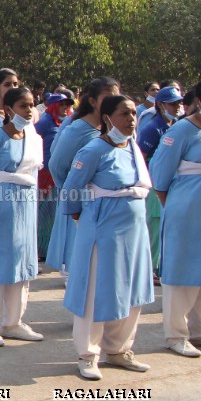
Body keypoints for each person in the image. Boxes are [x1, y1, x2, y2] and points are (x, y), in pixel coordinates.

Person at [60, 95, 154, 380]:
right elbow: (72, 190)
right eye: (124, 114)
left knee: (131, 289)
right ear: (107, 118)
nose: (131, 120)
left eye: (133, 114)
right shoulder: (93, 150)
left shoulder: (133, 148)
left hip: (134, 231)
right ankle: (88, 354)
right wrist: (82, 218)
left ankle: (119, 348)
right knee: (95, 291)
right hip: (103, 229)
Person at [0, 88, 44, 346]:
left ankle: (13, 321)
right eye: (23, 106)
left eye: (32, 105)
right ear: (10, 109)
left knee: (21, 263)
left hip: (26, 205)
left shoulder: (34, 137)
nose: (29, 110)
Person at [149, 79, 201, 357]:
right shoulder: (182, 130)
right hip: (186, 213)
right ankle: (176, 334)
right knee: (182, 272)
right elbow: (159, 175)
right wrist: (172, 208)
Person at [46, 77, 120, 277]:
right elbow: (57, 164)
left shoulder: (112, 129)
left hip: (107, 209)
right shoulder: (77, 128)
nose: (114, 102)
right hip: (83, 206)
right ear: (93, 101)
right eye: (108, 98)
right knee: (81, 266)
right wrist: (72, 194)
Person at [136, 85, 184, 280]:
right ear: (161, 105)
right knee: (154, 225)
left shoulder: (174, 126)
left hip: (171, 182)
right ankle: (150, 268)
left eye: (179, 103)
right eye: (172, 104)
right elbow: (141, 157)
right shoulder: (152, 128)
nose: (177, 107)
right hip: (155, 184)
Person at [34, 91, 75, 259]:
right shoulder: (44, 122)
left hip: (59, 174)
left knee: (53, 213)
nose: (65, 108)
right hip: (45, 174)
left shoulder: (66, 123)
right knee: (44, 213)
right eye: (62, 104)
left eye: (68, 105)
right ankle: (41, 251)